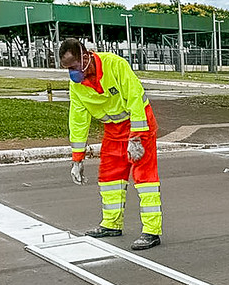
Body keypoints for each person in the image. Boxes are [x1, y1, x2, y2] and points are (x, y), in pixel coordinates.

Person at [59, 38, 162, 250]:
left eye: (74, 67)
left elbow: (135, 98)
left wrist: (137, 136)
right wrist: (77, 160)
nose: (72, 73)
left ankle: (152, 231)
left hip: (138, 124)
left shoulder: (115, 64)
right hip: (113, 131)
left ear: (86, 57)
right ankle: (111, 224)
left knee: (145, 179)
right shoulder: (77, 86)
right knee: (109, 177)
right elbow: (78, 120)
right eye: (68, 69)